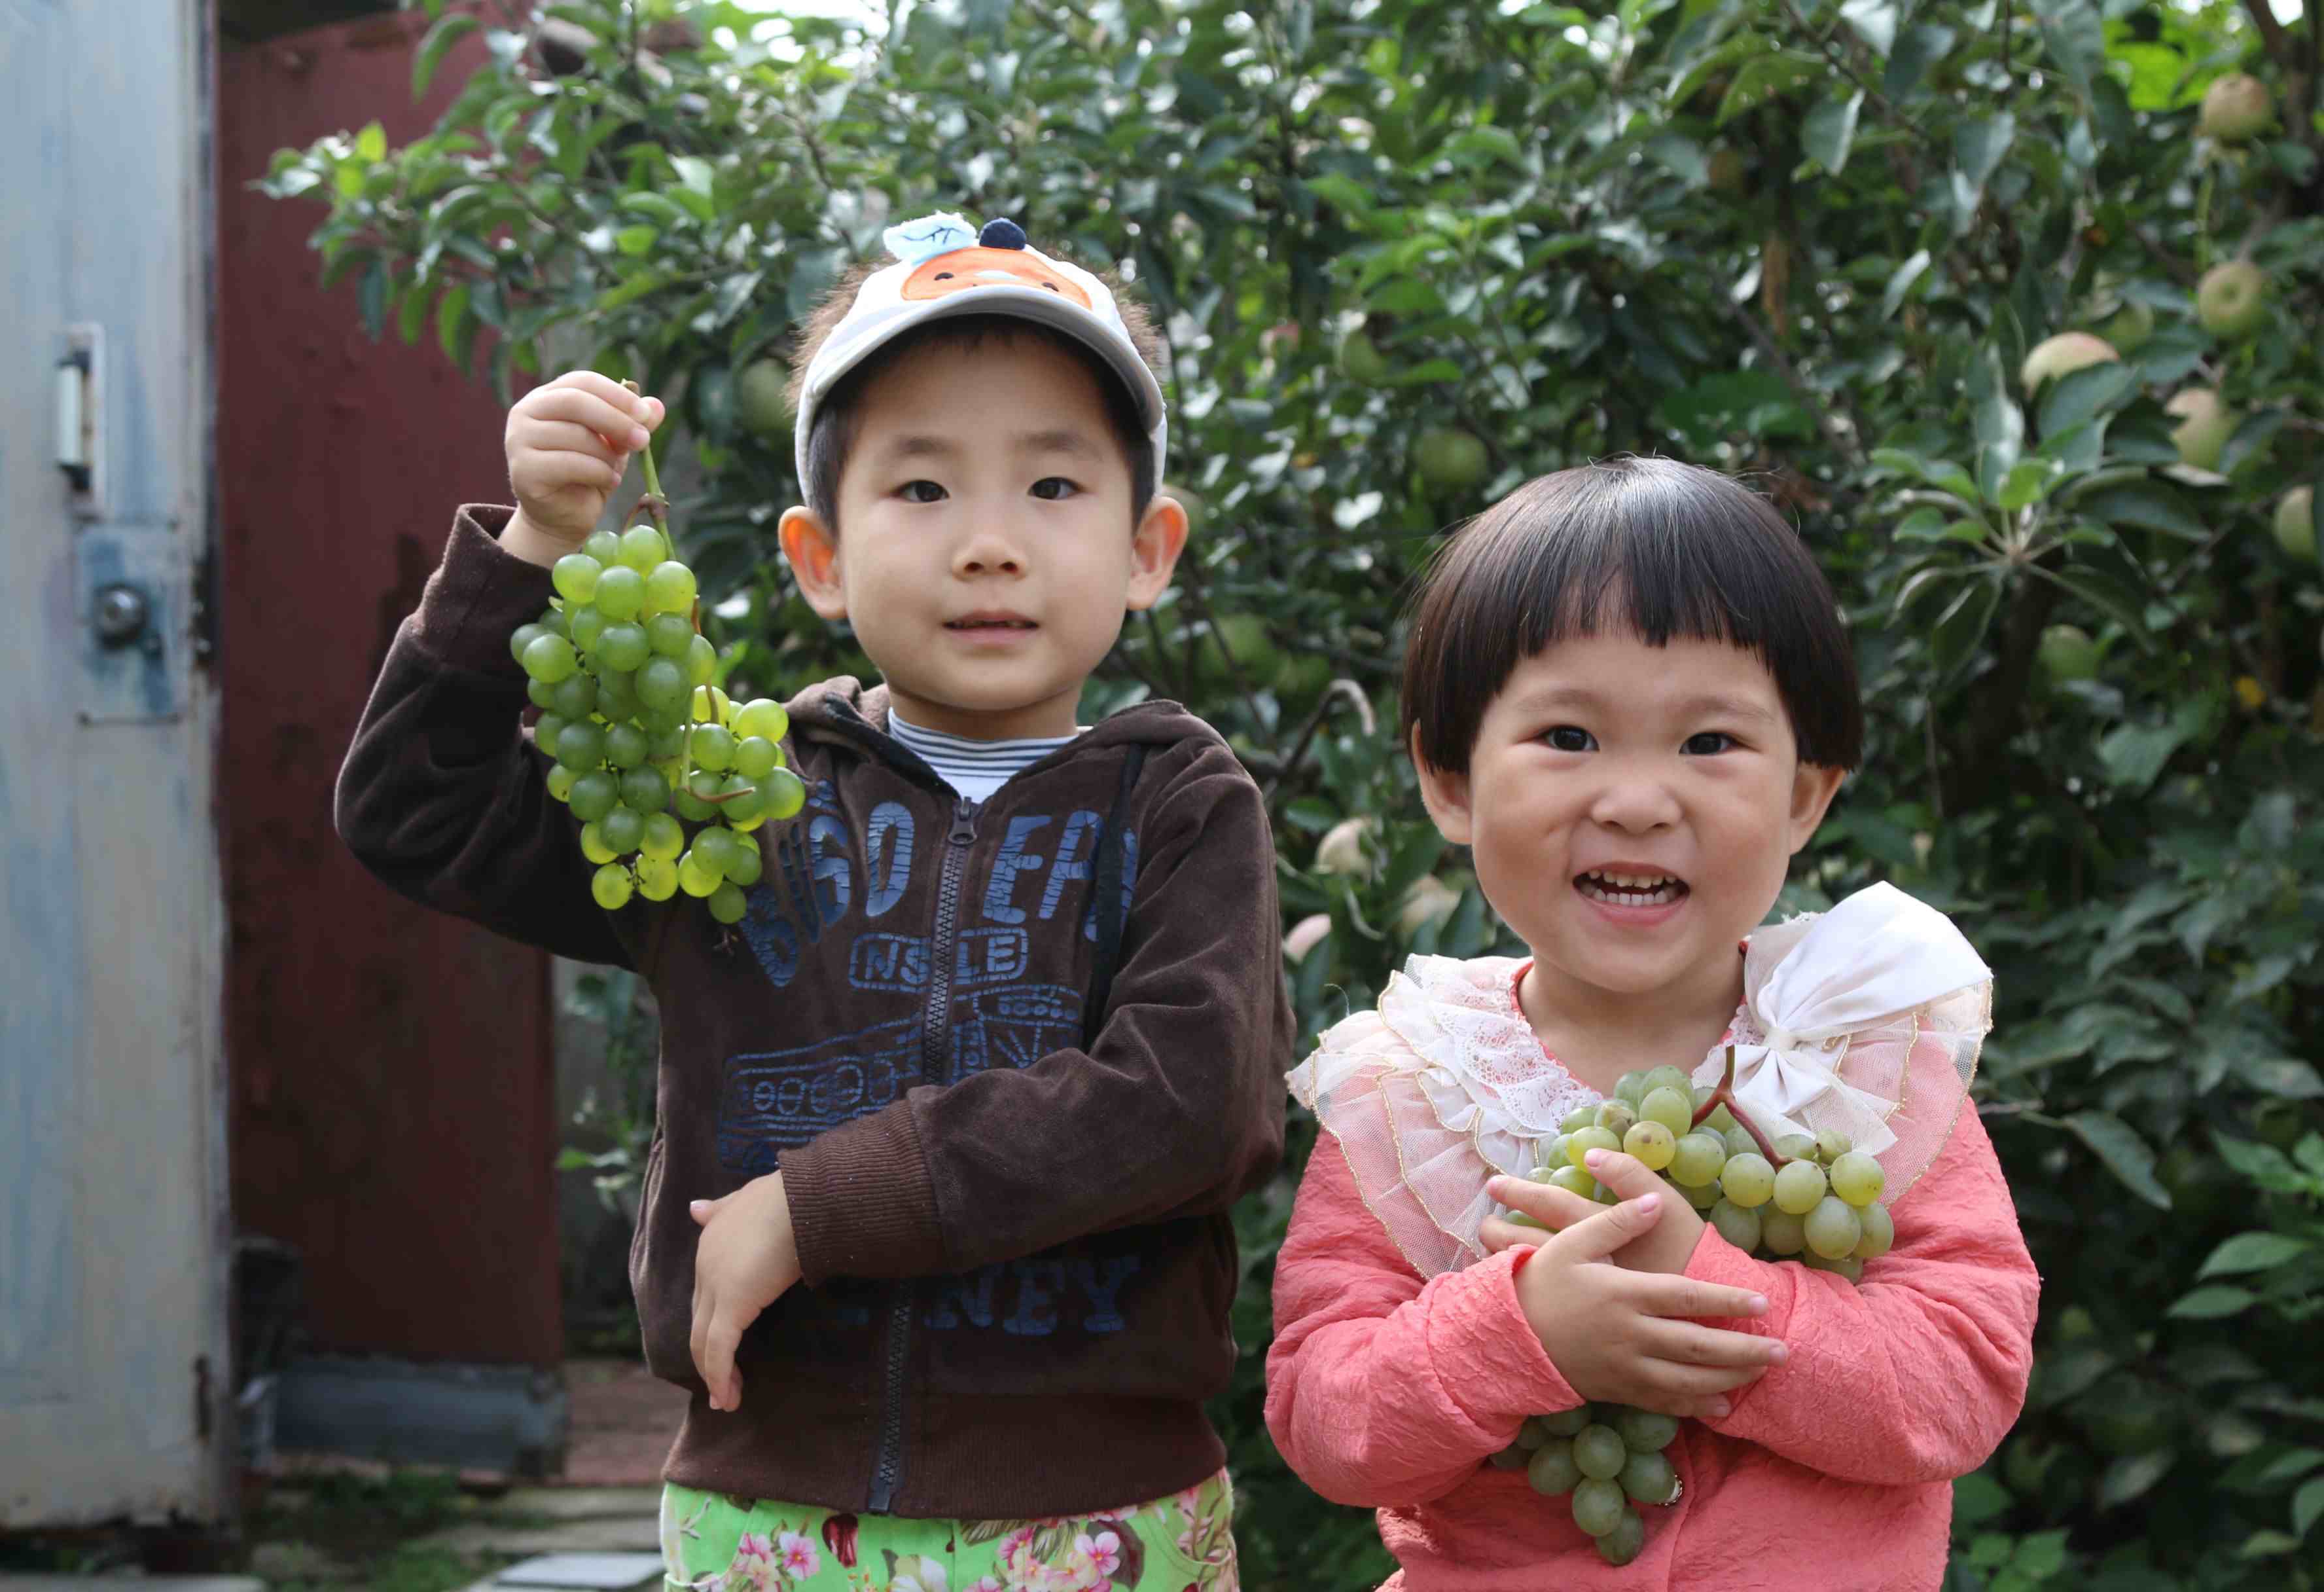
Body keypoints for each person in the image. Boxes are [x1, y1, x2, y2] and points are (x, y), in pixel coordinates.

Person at [336, 212, 1288, 1590]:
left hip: (1101, 1516)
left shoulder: (1180, 805)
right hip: (767, 1512)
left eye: (1055, 488)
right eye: (920, 490)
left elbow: (1186, 1105)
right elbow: (413, 817)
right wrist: (532, 548)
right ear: (817, 557)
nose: (988, 544)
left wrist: (823, 1204)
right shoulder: (735, 796)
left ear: (1150, 549)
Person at [1263, 457, 2040, 1589]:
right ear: (1450, 782)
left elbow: (1961, 1385)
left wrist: (1716, 1298)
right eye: (1569, 737)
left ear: (1805, 798)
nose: (1635, 798)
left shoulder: (1857, 1058)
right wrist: (1519, 1332)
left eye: (1709, 742)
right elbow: (1327, 1418)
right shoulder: (1419, 1088)